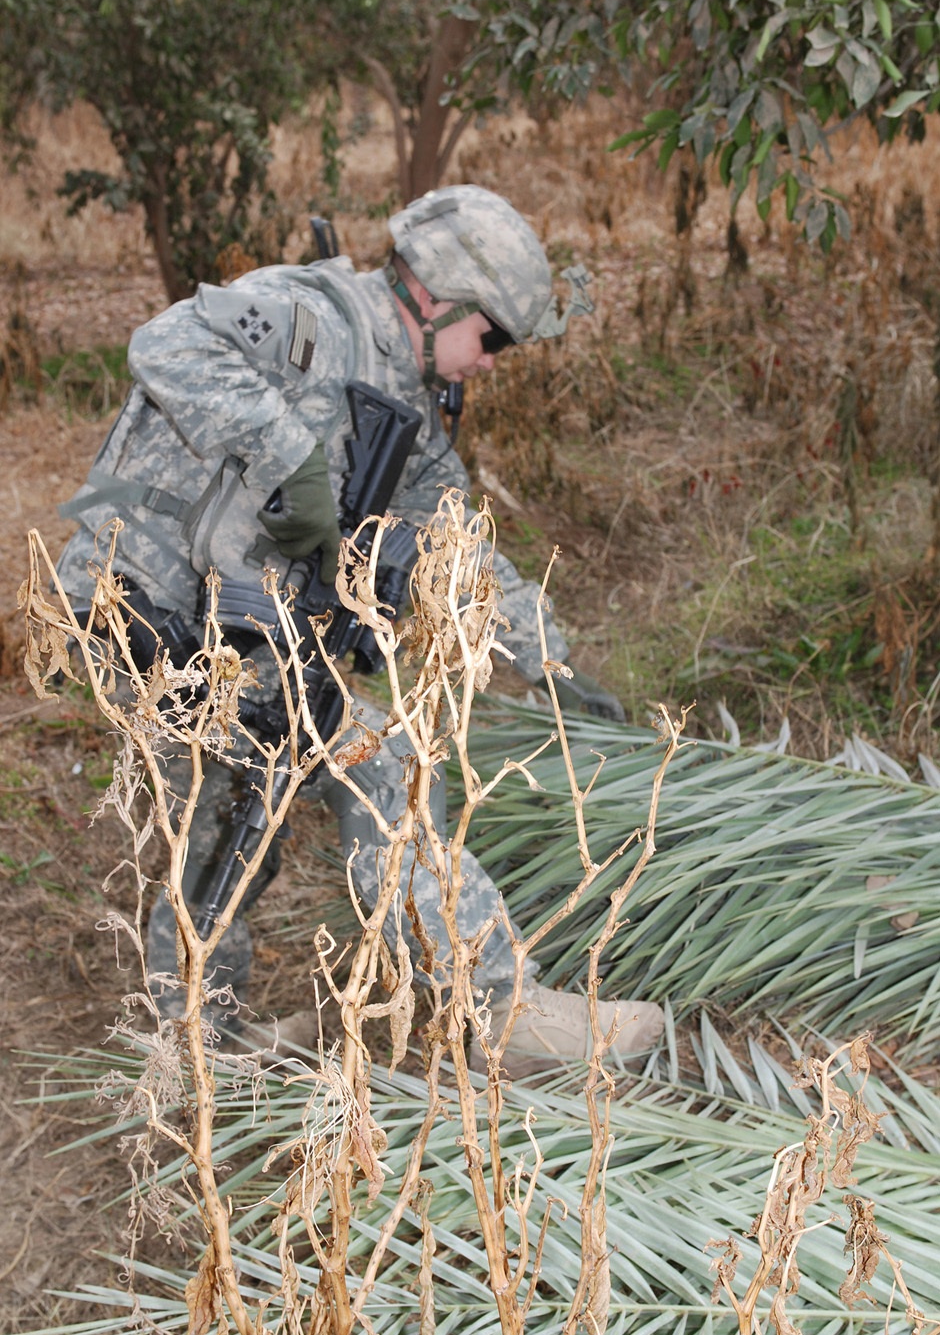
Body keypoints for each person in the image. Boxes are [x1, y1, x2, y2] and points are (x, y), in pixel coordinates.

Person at [55, 184, 664, 1078]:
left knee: (228, 820)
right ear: (435, 297)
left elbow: (455, 542)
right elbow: (166, 342)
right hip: (140, 612)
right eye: (491, 336)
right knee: (381, 769)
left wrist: (548, 658)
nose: (493, 361)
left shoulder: (404, 405)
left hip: (233, 635)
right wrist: (289, 454)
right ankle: (494, 1012)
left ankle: (189, 1043)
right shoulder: (314, 319)